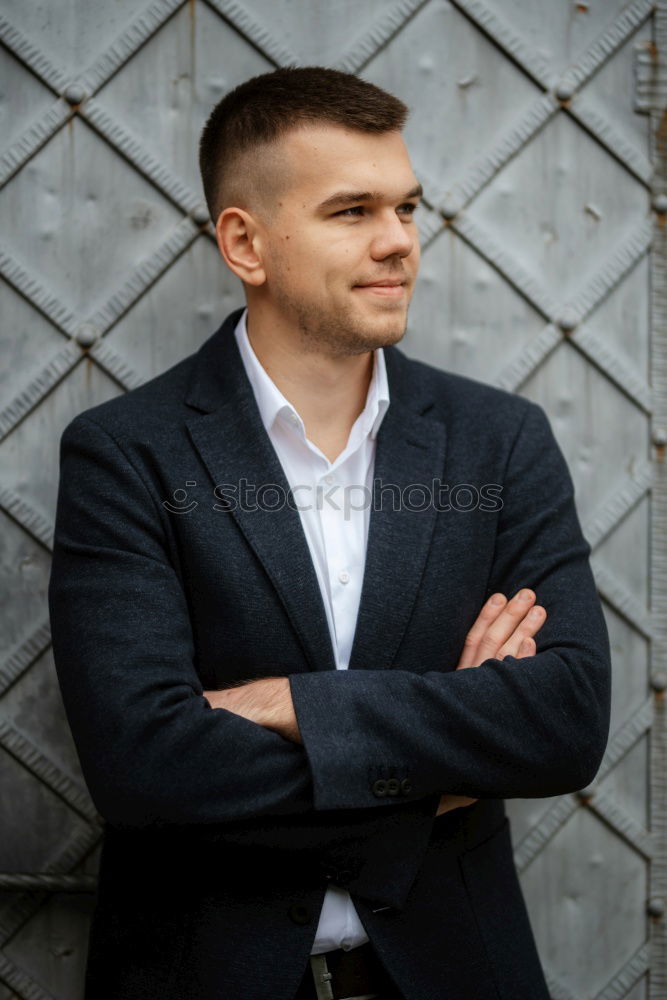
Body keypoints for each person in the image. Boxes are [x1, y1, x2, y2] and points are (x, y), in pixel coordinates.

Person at [48, 66, 611, 1000]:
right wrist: (438, 767)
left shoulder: (496, 443)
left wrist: (291, 705)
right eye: (352, 211)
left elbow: (564, 722)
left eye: (407, 207)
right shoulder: (127, 455)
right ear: (246, 242)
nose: (399, 243)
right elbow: (146, 767)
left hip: (453, 974)